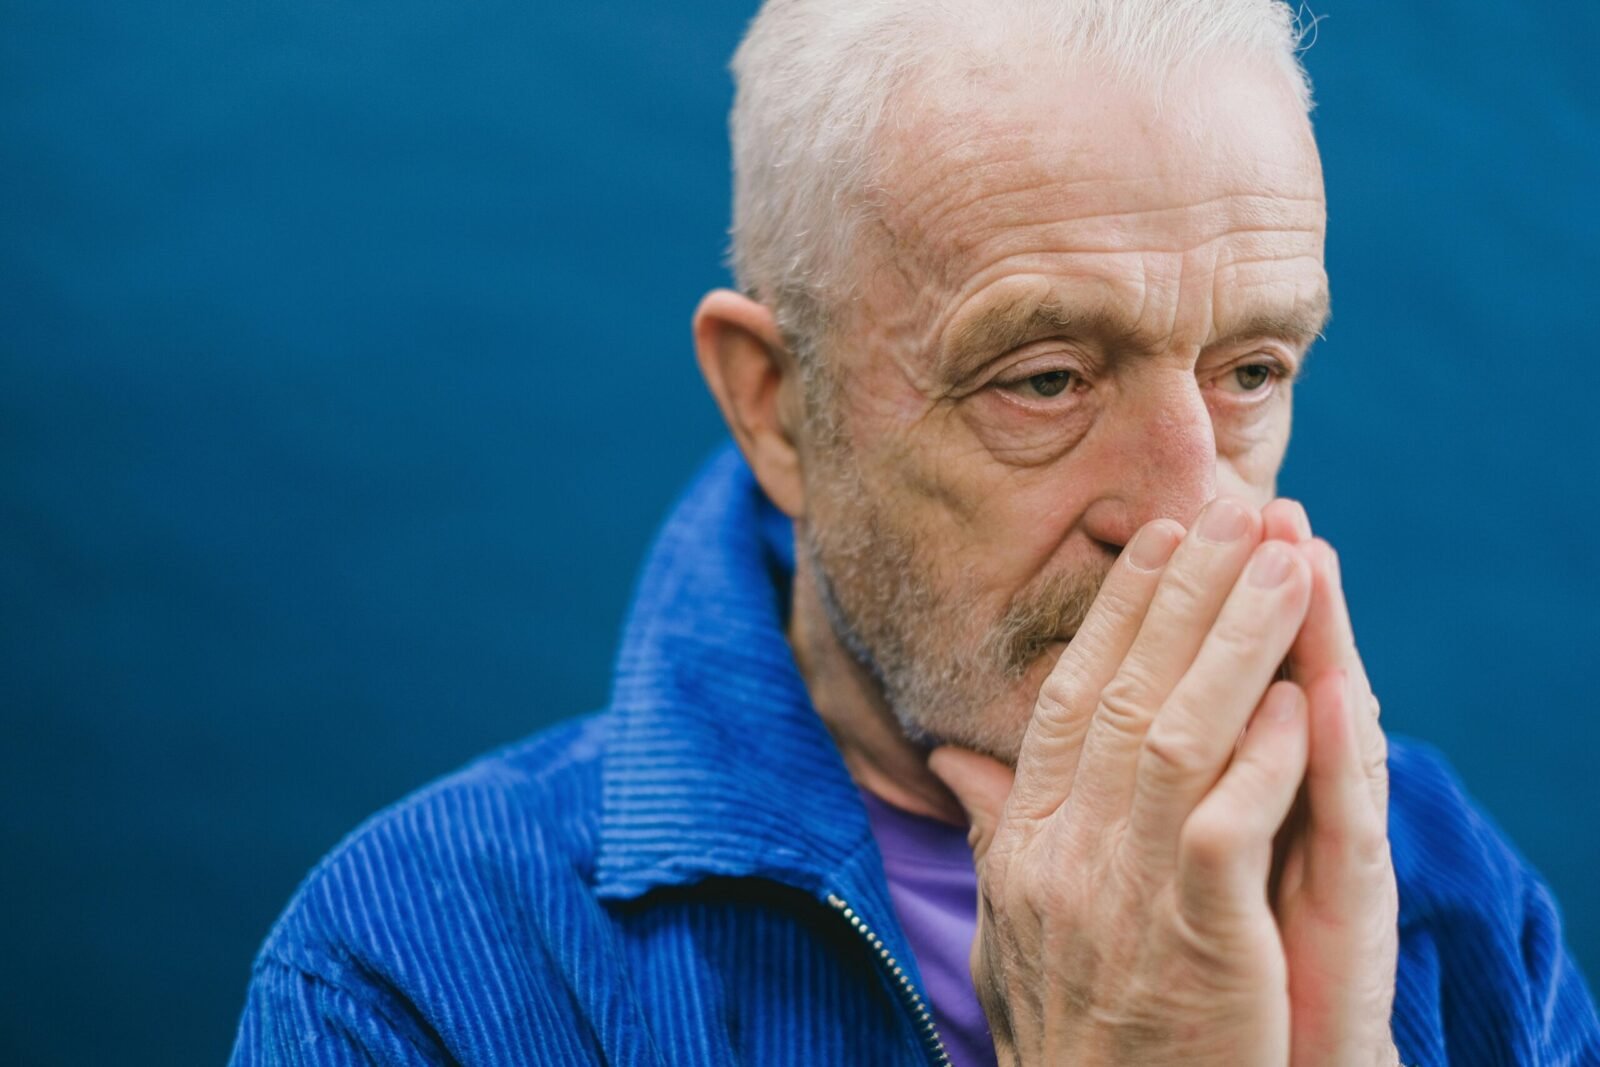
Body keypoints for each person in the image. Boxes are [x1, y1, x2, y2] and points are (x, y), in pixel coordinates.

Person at [230, 1, 1600, 1063]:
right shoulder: (418, 976)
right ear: (777, 409)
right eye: (1046, 379)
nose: (1193, 511)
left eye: (1250, 372)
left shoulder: (1455, 903)